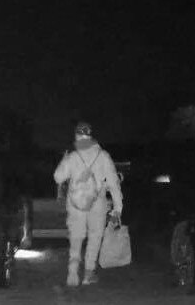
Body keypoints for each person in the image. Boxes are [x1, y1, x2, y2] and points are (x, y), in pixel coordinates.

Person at [53, 122, 123, 286]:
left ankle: (72, 272)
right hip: (97, 203)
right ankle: (88, 273)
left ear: (77, 136)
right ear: (91, 136)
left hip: (75, 204)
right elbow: (113, 183)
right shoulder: (103, 156)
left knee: (76, 237)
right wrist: (118, 208)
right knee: (95, 237)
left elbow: (58, 177)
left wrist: (63, 160)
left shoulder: (72, 156)